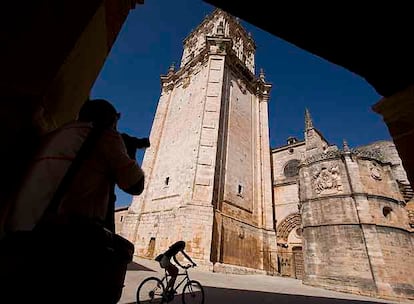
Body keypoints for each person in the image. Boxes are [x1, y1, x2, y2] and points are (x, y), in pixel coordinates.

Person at [1, 98, 148, 303]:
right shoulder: (106, 137)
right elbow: (136, 185)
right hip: (65, 243)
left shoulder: (51, 136)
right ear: (110, 120)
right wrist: (127, 152)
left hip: (16, 238)